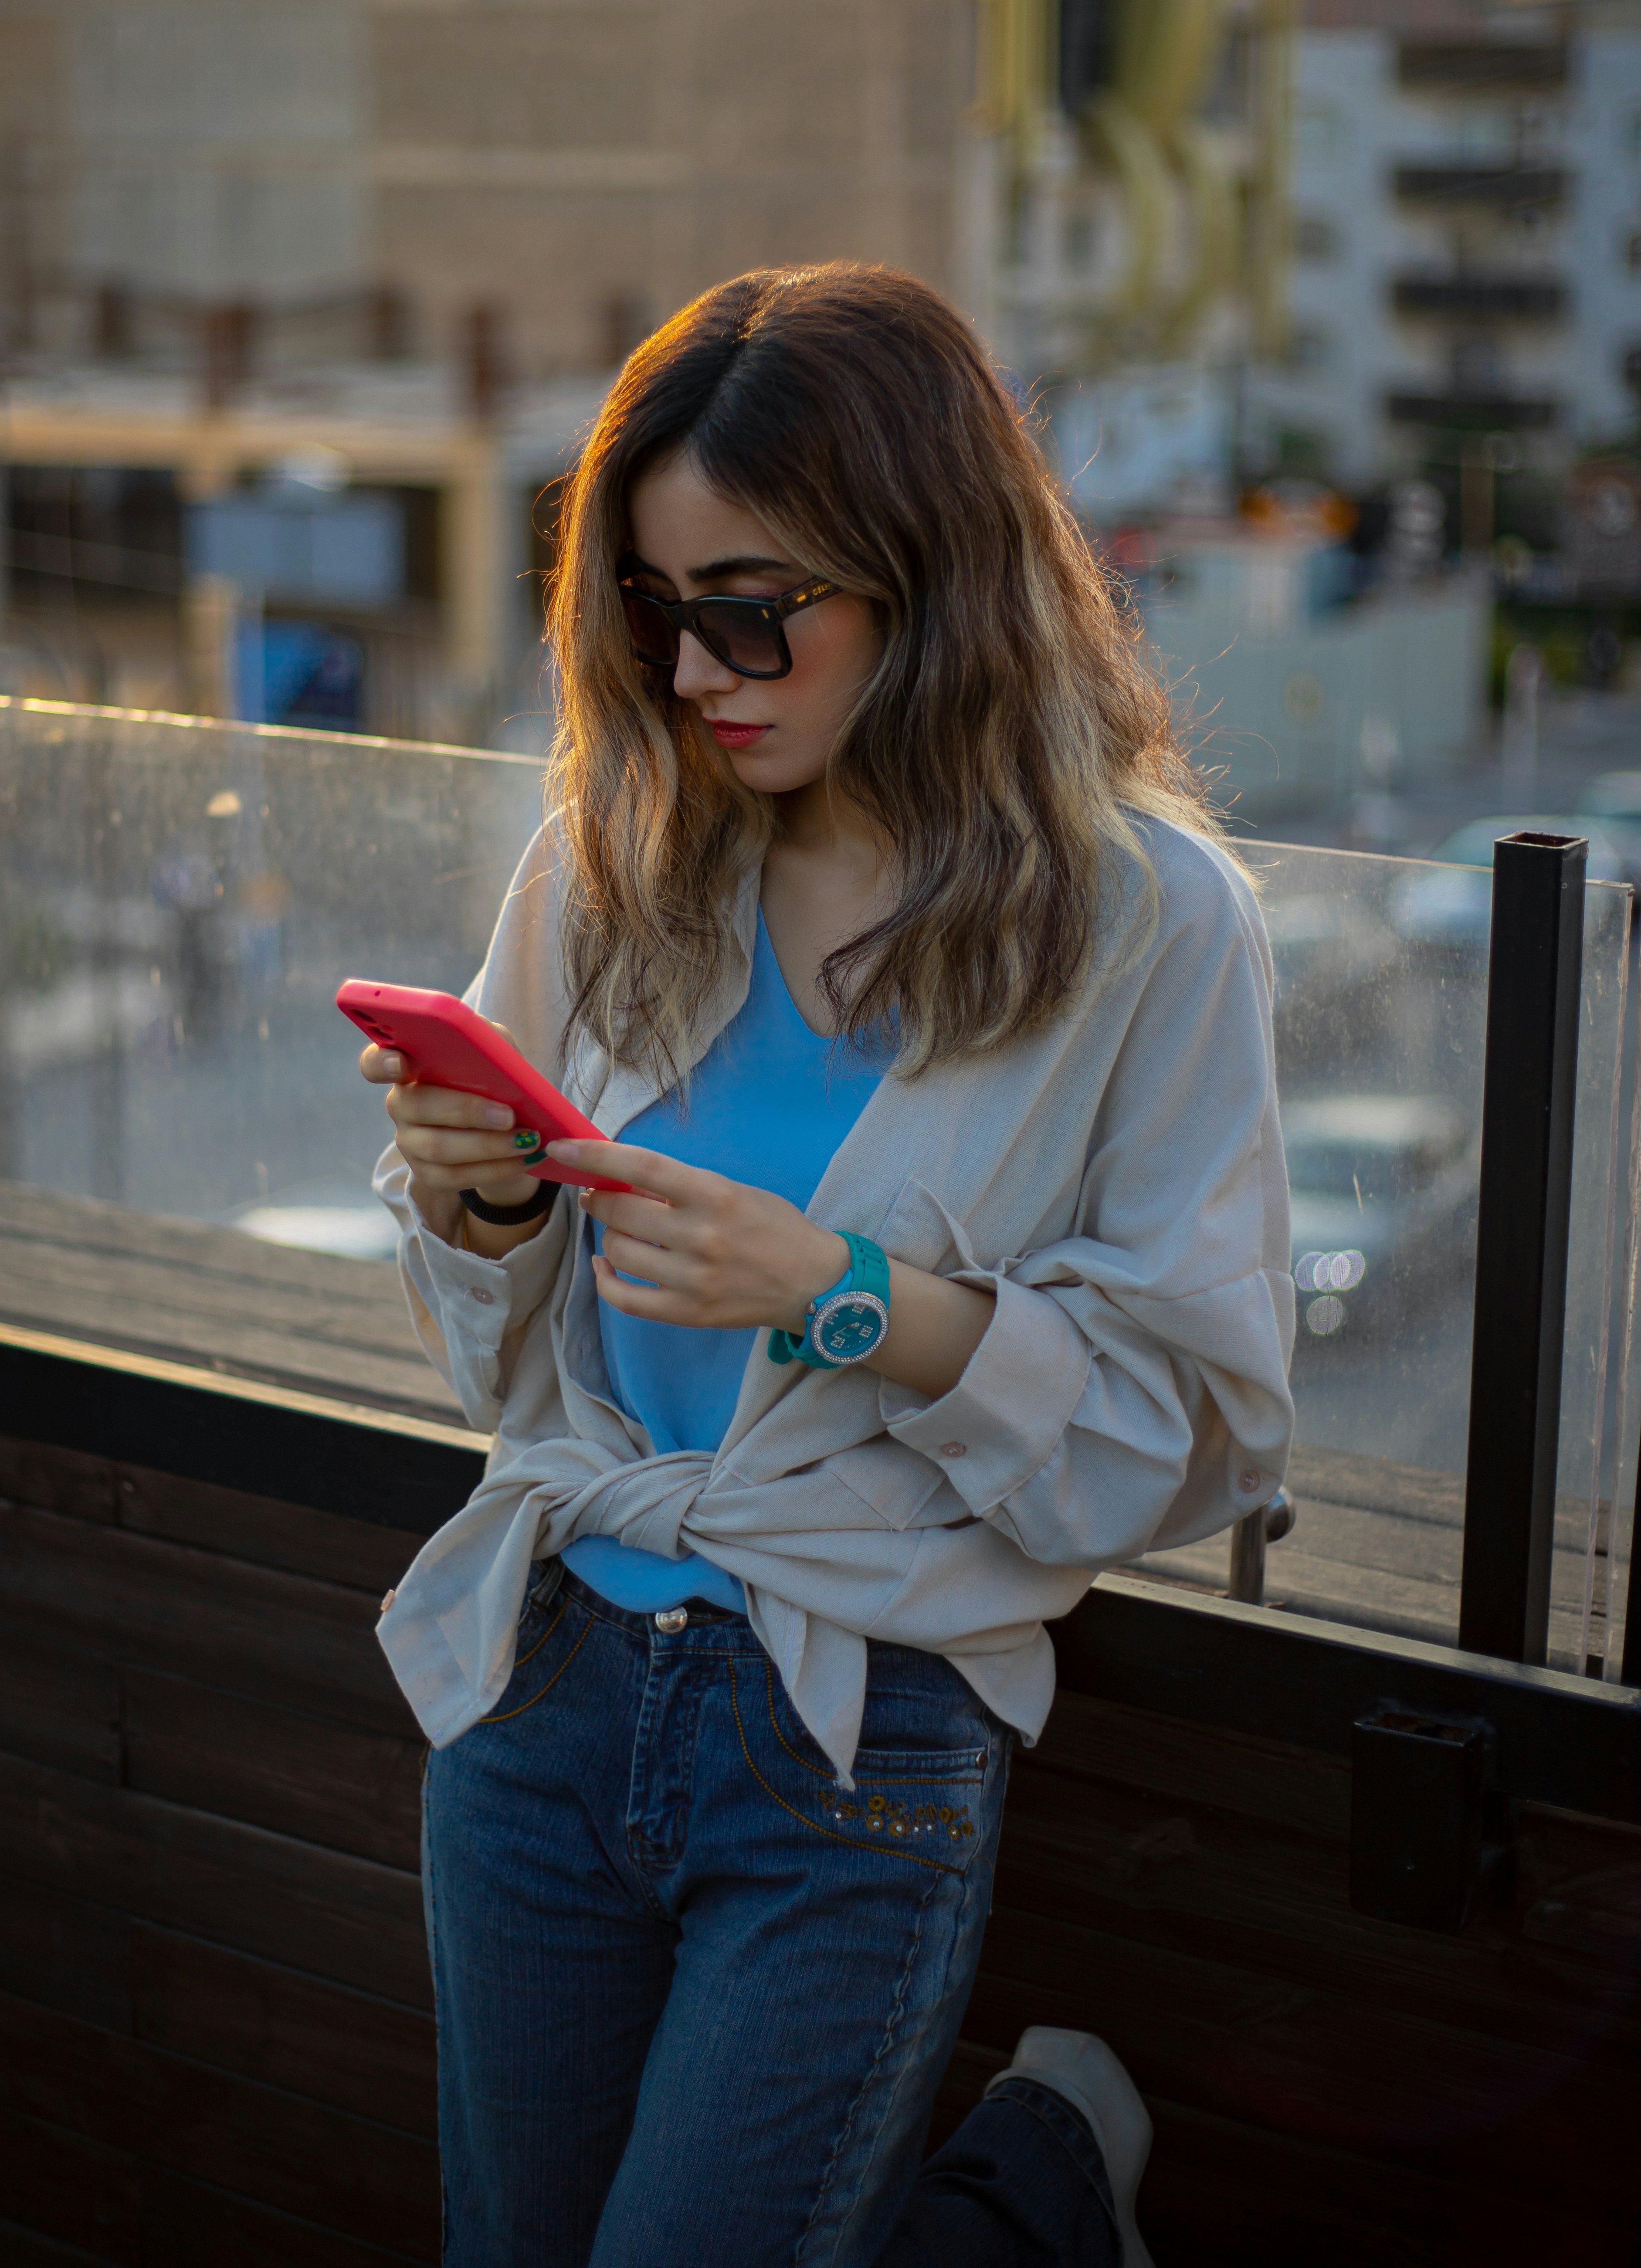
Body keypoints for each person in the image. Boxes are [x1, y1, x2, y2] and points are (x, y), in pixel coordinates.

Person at [363, 264, 1294, 2268]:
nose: (696, 669)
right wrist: (482, 1204)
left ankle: (1031, 2184)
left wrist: (838, 1293)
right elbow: (499, 1369)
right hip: (540, 1689)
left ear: (926, 571)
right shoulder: (612, 850)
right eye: (649, 609)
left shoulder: (1148, 920)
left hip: (851, 1734)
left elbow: (1204, 1425)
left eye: (748, 605)